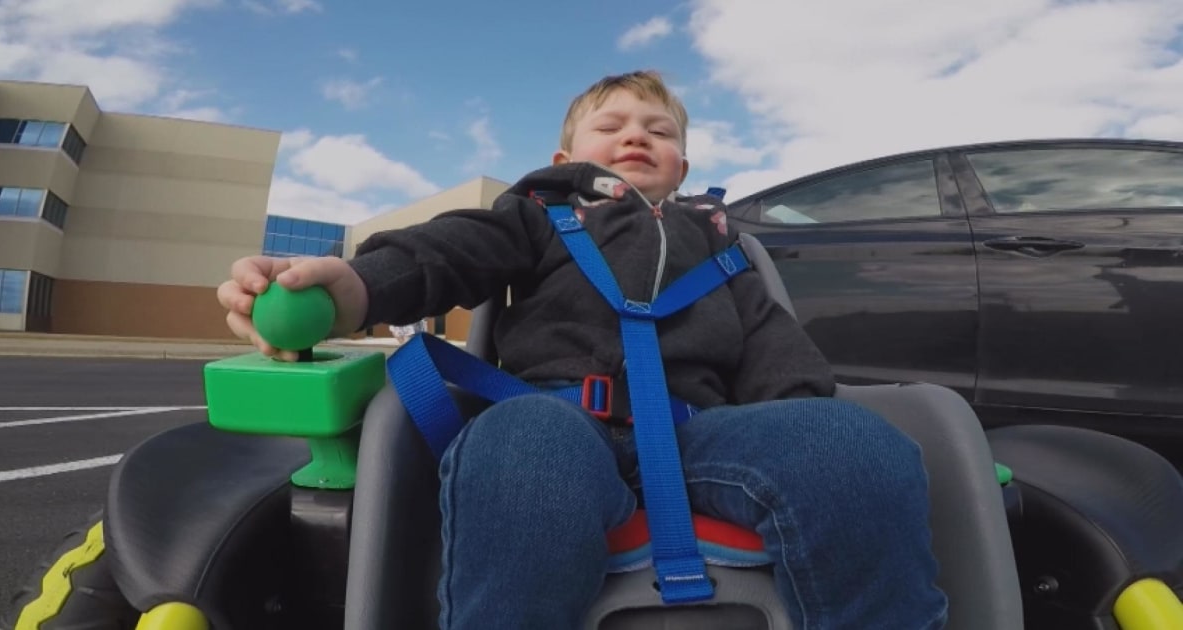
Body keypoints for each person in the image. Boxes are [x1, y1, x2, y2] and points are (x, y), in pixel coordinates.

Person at [218, 70, 948, 629]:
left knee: (848, 446)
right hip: (559, 417)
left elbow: (774, 346)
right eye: (612, 125)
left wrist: (806, 424)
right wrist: (356, 287)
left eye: (659, 131)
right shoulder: (536, 218)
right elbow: (447, 253)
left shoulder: (722, 251)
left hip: (705, 431)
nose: (637, 137)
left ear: (682, 168)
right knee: (522, 444)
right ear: (567, 156)